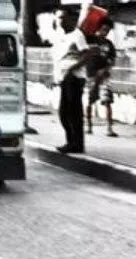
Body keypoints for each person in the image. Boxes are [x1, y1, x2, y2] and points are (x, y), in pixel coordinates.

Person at [52, 10, 95, 153]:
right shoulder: (60, 36)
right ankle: (71, 141)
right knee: (64, 112)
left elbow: (87, 54)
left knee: (73, 111)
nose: (61, 21)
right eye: (58, 18)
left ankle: (77, 144)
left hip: (74, 77)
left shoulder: (77, 35)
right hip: (63, 77)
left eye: (63, 18)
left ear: (71, 19)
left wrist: (72, 68)